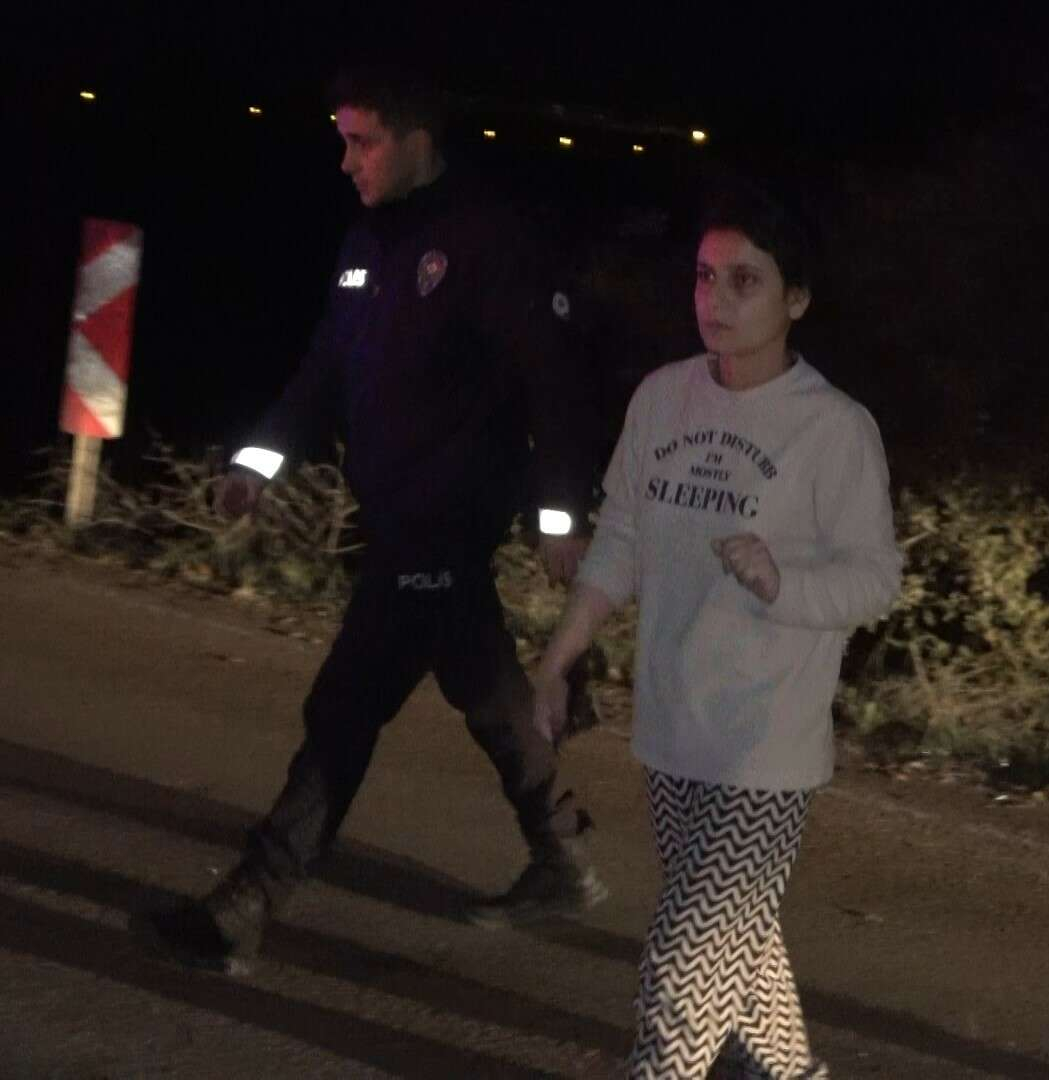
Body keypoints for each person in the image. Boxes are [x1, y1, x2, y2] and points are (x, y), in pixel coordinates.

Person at [133, 65, 606, 975]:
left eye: (363, 141)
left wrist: (559, 515)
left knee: (344, 707)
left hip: (447, 519)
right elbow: (323, 373)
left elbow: (554, 385)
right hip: (395, 518)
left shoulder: (488, 240)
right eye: (342, 141)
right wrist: (256, 465)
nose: (346, 161)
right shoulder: (367, 243)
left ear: (416, 139)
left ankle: (246, 905)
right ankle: (563, 856)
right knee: (488, 693)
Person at [532, 184, 901, 1079]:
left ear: (796, 299)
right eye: (705, 277)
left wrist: (783, 581)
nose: (716, 299)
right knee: (741, 950)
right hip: (673, 726)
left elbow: (875, 580)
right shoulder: (663, 398)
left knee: (682, 972)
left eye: (745, 281)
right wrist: (559, 655)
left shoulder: (834, 428)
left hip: (763, 748)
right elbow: (622, 536)